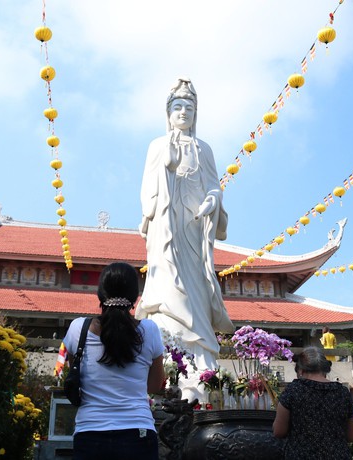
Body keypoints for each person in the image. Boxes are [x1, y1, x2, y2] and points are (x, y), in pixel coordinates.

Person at [136, 78, 234, 398]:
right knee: (167, 287)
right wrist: (167, 165)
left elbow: (213, 184)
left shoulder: (203, 148)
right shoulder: (157, 145)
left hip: (194, 230)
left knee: (197, 295)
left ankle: (201, 365)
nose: (183, 113)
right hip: (166, 229)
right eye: (177, 107)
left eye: (189, 108)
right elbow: (148, 188)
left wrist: (213, 200)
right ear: (168, 112)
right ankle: (168, 358)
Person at [63, 262, 166, 460]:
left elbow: (76, 375)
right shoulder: (150, 330)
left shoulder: (78, 329)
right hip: (138, 433)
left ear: (100, 293)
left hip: (90, 433)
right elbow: (154, 385)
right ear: (135, 296)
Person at [273, 346, 353, 460]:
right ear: (326, 370)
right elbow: (351, 436)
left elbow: (278, 431)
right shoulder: (343, 393)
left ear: (300, 370)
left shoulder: (293, 391)